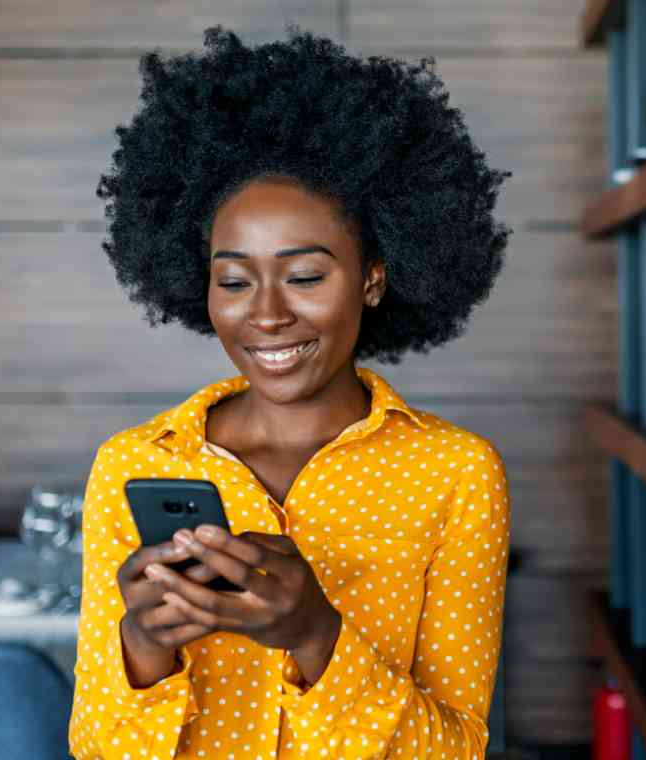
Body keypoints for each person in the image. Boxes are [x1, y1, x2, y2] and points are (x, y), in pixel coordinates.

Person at [67, 23, 512, 759]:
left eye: (305, 276)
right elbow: (95, 747)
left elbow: (455, 749)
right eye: (234, 280)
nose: (267, 313)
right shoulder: (133, 464)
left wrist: (316, 636)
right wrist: (143, 648)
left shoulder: (457, 474)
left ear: (372, 276)